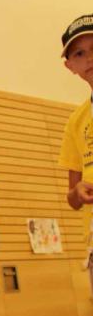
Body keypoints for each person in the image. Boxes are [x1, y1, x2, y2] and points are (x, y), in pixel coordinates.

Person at [58, 15, 93, 211]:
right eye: (79, 53)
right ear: (70, 66)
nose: (89, 58)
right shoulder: (76, 121)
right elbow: (72, 199)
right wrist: (77, 191)